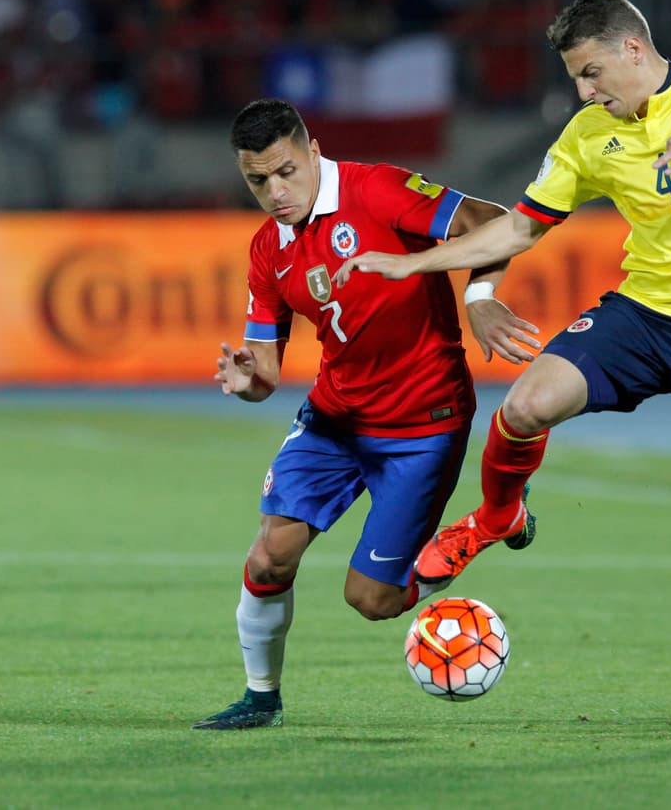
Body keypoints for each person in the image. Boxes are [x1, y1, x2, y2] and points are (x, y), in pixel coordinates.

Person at [342, 0, 671, 729]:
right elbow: (520, 228)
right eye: (576, 78)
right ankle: (496, 515)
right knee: (524, 405)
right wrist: (417, 265)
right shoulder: (589, 134)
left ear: (632, 50)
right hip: (645, 316)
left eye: (590, 73)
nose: (584, 92)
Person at [192, 99, 540, 730]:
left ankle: (484, 526)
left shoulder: (377, 190)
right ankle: (261, 699)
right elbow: (264, 373)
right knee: (269, 557)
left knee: (372, 600)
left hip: (423, 426)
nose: (275, 192)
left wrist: (481, 295)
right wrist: (246, 380)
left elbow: (490, 220)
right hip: (335, 420)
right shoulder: (269, 248)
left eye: (286, 172)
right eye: (258, 181)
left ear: (313, 151)